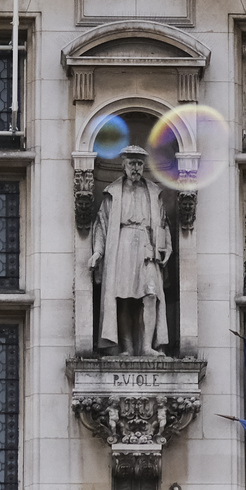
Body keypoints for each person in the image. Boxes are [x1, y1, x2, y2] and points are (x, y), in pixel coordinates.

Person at [89, 146, 172, 355]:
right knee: (123, 297)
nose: (136, 167)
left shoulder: (153, 192)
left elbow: (163, 222)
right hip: (122, 244)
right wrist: (98, 252)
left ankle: (146, 347)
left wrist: (167, 246)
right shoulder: (113, 193)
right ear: (123, 165)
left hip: (147, 244)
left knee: (151, 294)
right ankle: (126, 347)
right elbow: (101, 224)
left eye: (140, 163)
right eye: (132, 163)